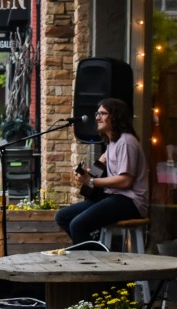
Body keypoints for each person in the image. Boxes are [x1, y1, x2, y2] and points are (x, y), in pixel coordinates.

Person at [54, 98, 149, 244]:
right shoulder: (113, 142)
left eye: (102, 113)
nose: (97, 117)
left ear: (115, 117)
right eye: (97, 113)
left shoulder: (126, 142)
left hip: (130, 201)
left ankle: (91, 259)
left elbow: (125, 181)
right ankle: (95, 247)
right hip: (113, 197)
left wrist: (91, 181)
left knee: (78, 225)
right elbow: (101, 163)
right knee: (62, 216)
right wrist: (87, 173)